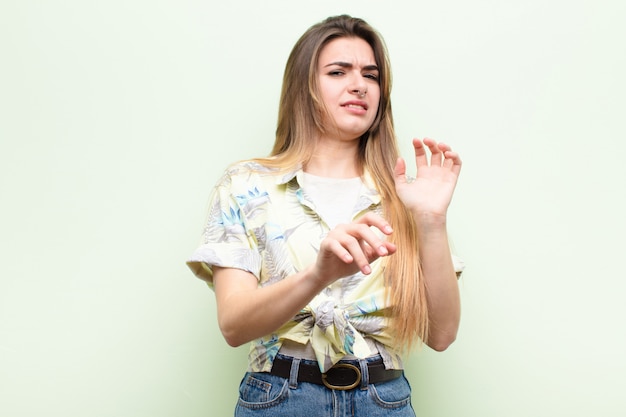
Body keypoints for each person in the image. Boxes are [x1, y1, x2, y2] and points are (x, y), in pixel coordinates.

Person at [187, 14, 464, 417]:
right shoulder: (246, 185)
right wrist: (319, 274)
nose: (359, 85)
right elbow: (234, 325)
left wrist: (432, 221)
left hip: (383, 400)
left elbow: (440, 335)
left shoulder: (406, 193)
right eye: (338, 72)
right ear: (304, 87)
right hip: (280, 398)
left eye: (371, 75)